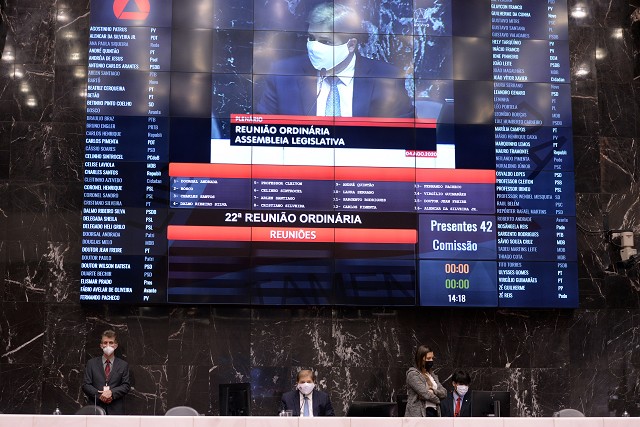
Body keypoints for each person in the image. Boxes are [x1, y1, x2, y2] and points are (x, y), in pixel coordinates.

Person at [256, 2, 413, 118]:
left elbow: (406, 134)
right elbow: (262, 130)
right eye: (311, 38)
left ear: (351, 45)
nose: (314, 47)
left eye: (325, 41)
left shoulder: (387, 77)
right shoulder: (282, 73)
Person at [82, 330, 131, 415]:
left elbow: (126, 385)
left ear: (115, 345)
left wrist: (111, 393)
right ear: (101, 345)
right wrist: (100, 395)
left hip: (116, 410)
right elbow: (86, 385)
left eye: (111, 342)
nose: (108, 345)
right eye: (105, 342)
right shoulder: (91, 363)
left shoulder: (123, 365)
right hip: (95, 408)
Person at [405, 345, 446, 417]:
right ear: (420, 359)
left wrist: (434, 391)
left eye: (432, 358)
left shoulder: (431, 374)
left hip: (434, 411)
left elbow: (444, 392)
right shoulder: (413, 374)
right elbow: (425, 394)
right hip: (419, 414)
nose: (431, 360)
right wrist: (439, 400)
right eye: (428, 358)